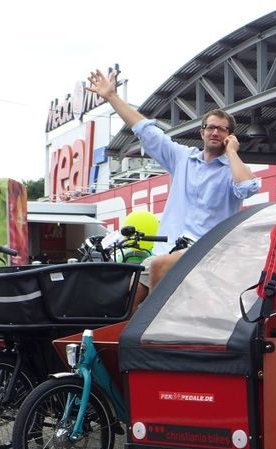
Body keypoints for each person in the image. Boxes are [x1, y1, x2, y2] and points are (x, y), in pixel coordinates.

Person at [86, 69, 261, 307]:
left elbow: (248, 187)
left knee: (158, 266)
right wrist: (112, 97)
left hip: (206, 250)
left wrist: (232, 152)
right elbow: (146, 130)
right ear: (202, 132)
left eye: (221, 129)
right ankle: (120, 340)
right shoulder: (183, 158)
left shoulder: (232, 168)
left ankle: (150, 333)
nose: (215, 132)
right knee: (129, 290)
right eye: (210, 127)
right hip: (168, 249)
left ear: (230, 136)